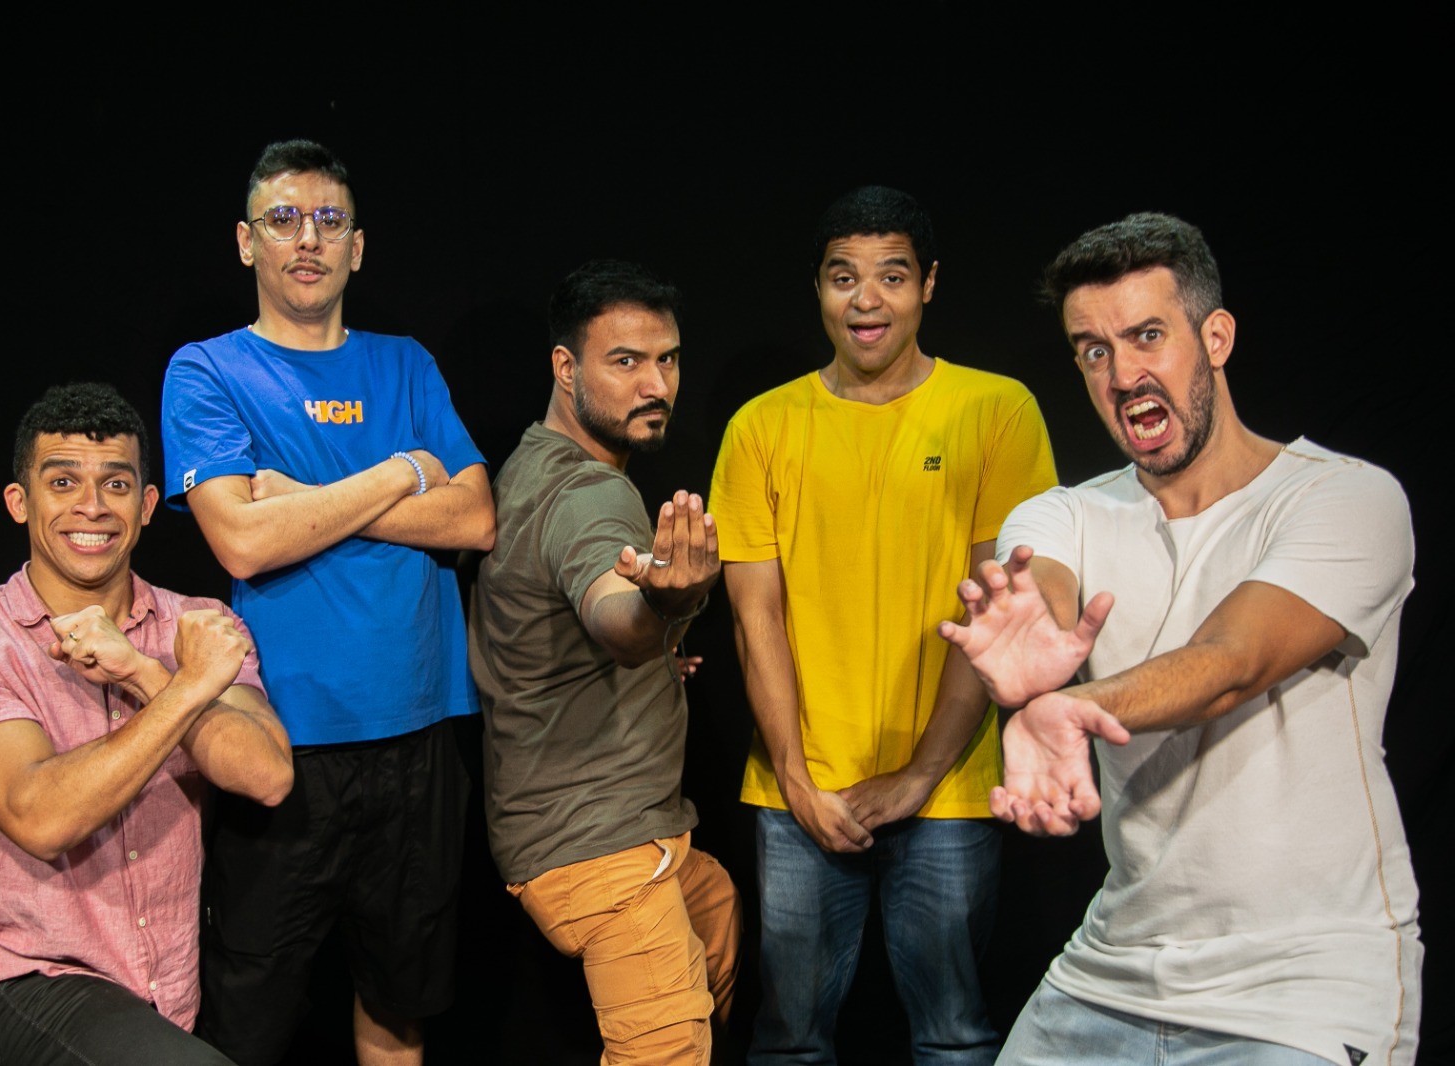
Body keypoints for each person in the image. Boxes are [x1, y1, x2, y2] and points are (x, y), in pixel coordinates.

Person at [940, 212, 1422, 1066]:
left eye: (1147, 337)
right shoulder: (1067, 511)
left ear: (1217, 337)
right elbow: (1044, 588)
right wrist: (1034, 637)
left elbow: (1232, 662)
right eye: (1093, 350)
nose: (1123, 374)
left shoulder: (1346, 499)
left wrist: (1075, 705)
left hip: (1303, 986)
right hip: (1112, 972)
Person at [159, 138, 495, 1066]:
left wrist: (301, 500)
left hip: (423, 736)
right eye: (283, 219)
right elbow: (242, 539)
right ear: (246, 242)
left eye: (328, 220)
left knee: (399, 1010)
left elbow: (474, 520)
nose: (306, 239)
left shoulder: (407, 364)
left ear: (357, 247)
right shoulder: (206, 370)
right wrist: (402, 472)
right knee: (248, 1022)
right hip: (283, 743)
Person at [708, 185, 1058, 1064]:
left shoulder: (998, 411)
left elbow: (998, 609)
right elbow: (756, 621)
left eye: (892, 276)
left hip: (948, 793)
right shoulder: (760, 427)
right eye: (842, 278)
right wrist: (794, 777)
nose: (865, 300)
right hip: (800, 794)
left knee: (953, 1037)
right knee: (787, 1041)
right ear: (818, 288)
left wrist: (920, 775)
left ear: (929, 285)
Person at [0, 381, 293, 1066]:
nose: (92, 506)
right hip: (28, 974)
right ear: (19, 502)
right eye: (63, 482)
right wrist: (189, 688)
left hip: (169, 992)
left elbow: (265, 776)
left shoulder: (196, 623)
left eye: (116, 484)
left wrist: (144, 673)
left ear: (146, 508)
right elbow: (43, 815)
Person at [468, 259, 741, 1064]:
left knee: (715, 907)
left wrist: (659, 659)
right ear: (566, 367)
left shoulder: (529, 461)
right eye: (625, 362)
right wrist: (663, 607)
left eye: (669, 359)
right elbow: (612, 614)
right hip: (599, 845)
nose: (656, 384)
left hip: (604, 829)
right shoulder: (591, 495)